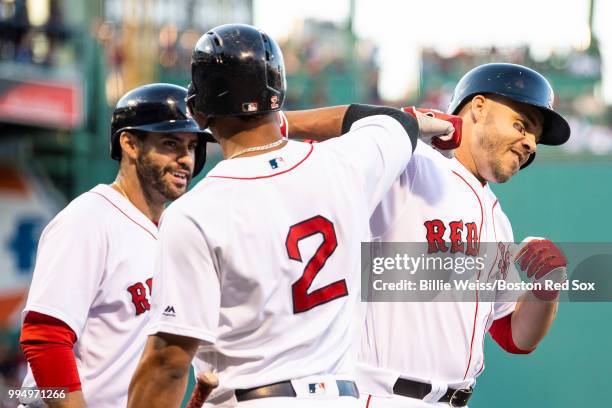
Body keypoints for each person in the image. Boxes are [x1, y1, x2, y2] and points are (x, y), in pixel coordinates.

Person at [127, 23, 456, 408]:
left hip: (252, 399)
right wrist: (285, 122)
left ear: (197, 113)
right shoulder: (344, 164)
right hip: (341, 397)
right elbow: (396, 121)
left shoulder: (195, 211)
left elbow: (168, 362)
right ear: (278, 96)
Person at [282, 62, 570, 407]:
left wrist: (546, 290)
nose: (531, 145)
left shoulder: (498, 219)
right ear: (478, 107)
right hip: (381, 393)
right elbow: (329, 141)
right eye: (522, 126)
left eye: (535, 138)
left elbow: (513, 335)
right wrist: (400, 124)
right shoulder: (413, 164)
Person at [18, 83, 210, 408]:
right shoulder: (89, 219)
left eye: (191, 146)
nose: (185, 159)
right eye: (170, 143)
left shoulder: (175, 231)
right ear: (130, 143)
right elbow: (45, 336)